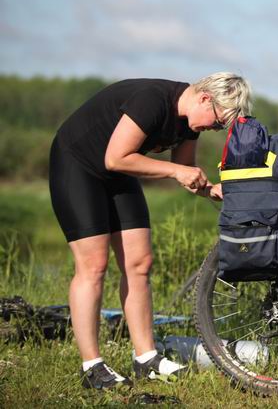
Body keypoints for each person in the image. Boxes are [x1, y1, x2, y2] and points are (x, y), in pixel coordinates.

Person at [48, 73, 252, 389]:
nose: (214, 129)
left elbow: (183, 171)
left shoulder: (189, 124)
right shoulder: (153, 100)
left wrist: (209, 189)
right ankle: (92, 367)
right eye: (216, 122)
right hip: (79, 164)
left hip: (119, 169)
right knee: (94, 265)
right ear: (203, 98)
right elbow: (116, 157)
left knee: (140, 263)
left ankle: (146, 359)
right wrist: (177, 171)